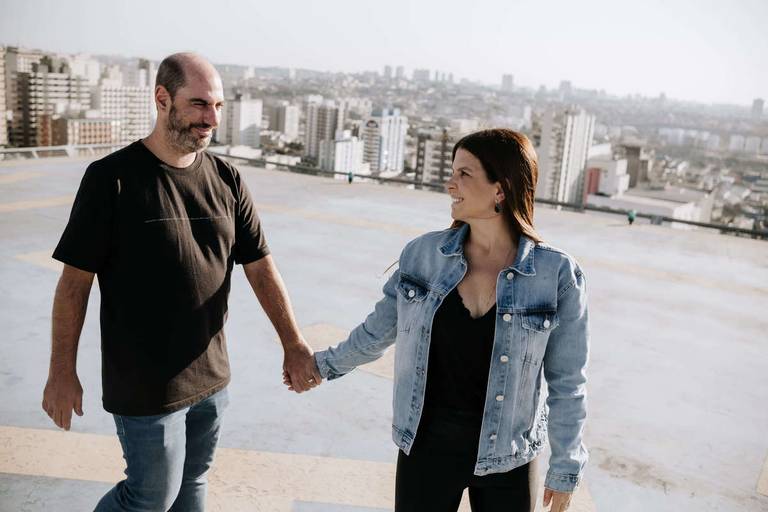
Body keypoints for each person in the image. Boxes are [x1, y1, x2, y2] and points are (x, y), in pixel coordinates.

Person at [41, 52, 321, 512]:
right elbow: (74, 284)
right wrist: (61, 371)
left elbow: (260, 267)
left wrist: (293, 343)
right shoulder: (111, 179)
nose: (210, 119)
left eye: (218, 107)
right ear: (162, 98)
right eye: (198, 105)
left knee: (193, 485)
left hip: (212, 378)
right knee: (149, 497)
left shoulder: (227, 178)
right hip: (147, 386)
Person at [289, 129, 589, 512]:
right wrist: (319, 366)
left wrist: (565, 468)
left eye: (464, 174)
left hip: (508, 458)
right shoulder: (423, 256)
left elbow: (568, 381)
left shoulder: (558, 274)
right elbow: (378, 331)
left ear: (501, 189)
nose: (450, 184)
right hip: (426, 449)